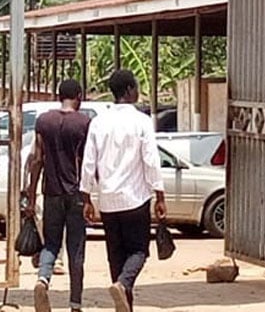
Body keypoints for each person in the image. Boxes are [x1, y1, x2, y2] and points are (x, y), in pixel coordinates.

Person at [80, 70, 166, 312]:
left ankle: (124, 300)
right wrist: (159, 194)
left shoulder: (99, 122)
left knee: (115, 256)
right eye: (136, 87)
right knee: (139, 251)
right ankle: (123, 284)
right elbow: (151, 160)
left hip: (108, 200)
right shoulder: (141, 121)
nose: (138, 91)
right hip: (135, 199)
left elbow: (88, 162)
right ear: (129, 90)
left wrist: (86, 198)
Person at [24, 79, 91, 312]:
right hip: (76, 193)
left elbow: (37, 160)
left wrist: (31, 196)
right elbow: (87, 162)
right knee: (76, 249)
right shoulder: (84, 123)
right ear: (79, 96)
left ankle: (43, 279)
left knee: (51, 244)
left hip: (50, 192)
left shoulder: (44, 121)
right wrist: (89, 198)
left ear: (58, 95)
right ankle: (75, 304)